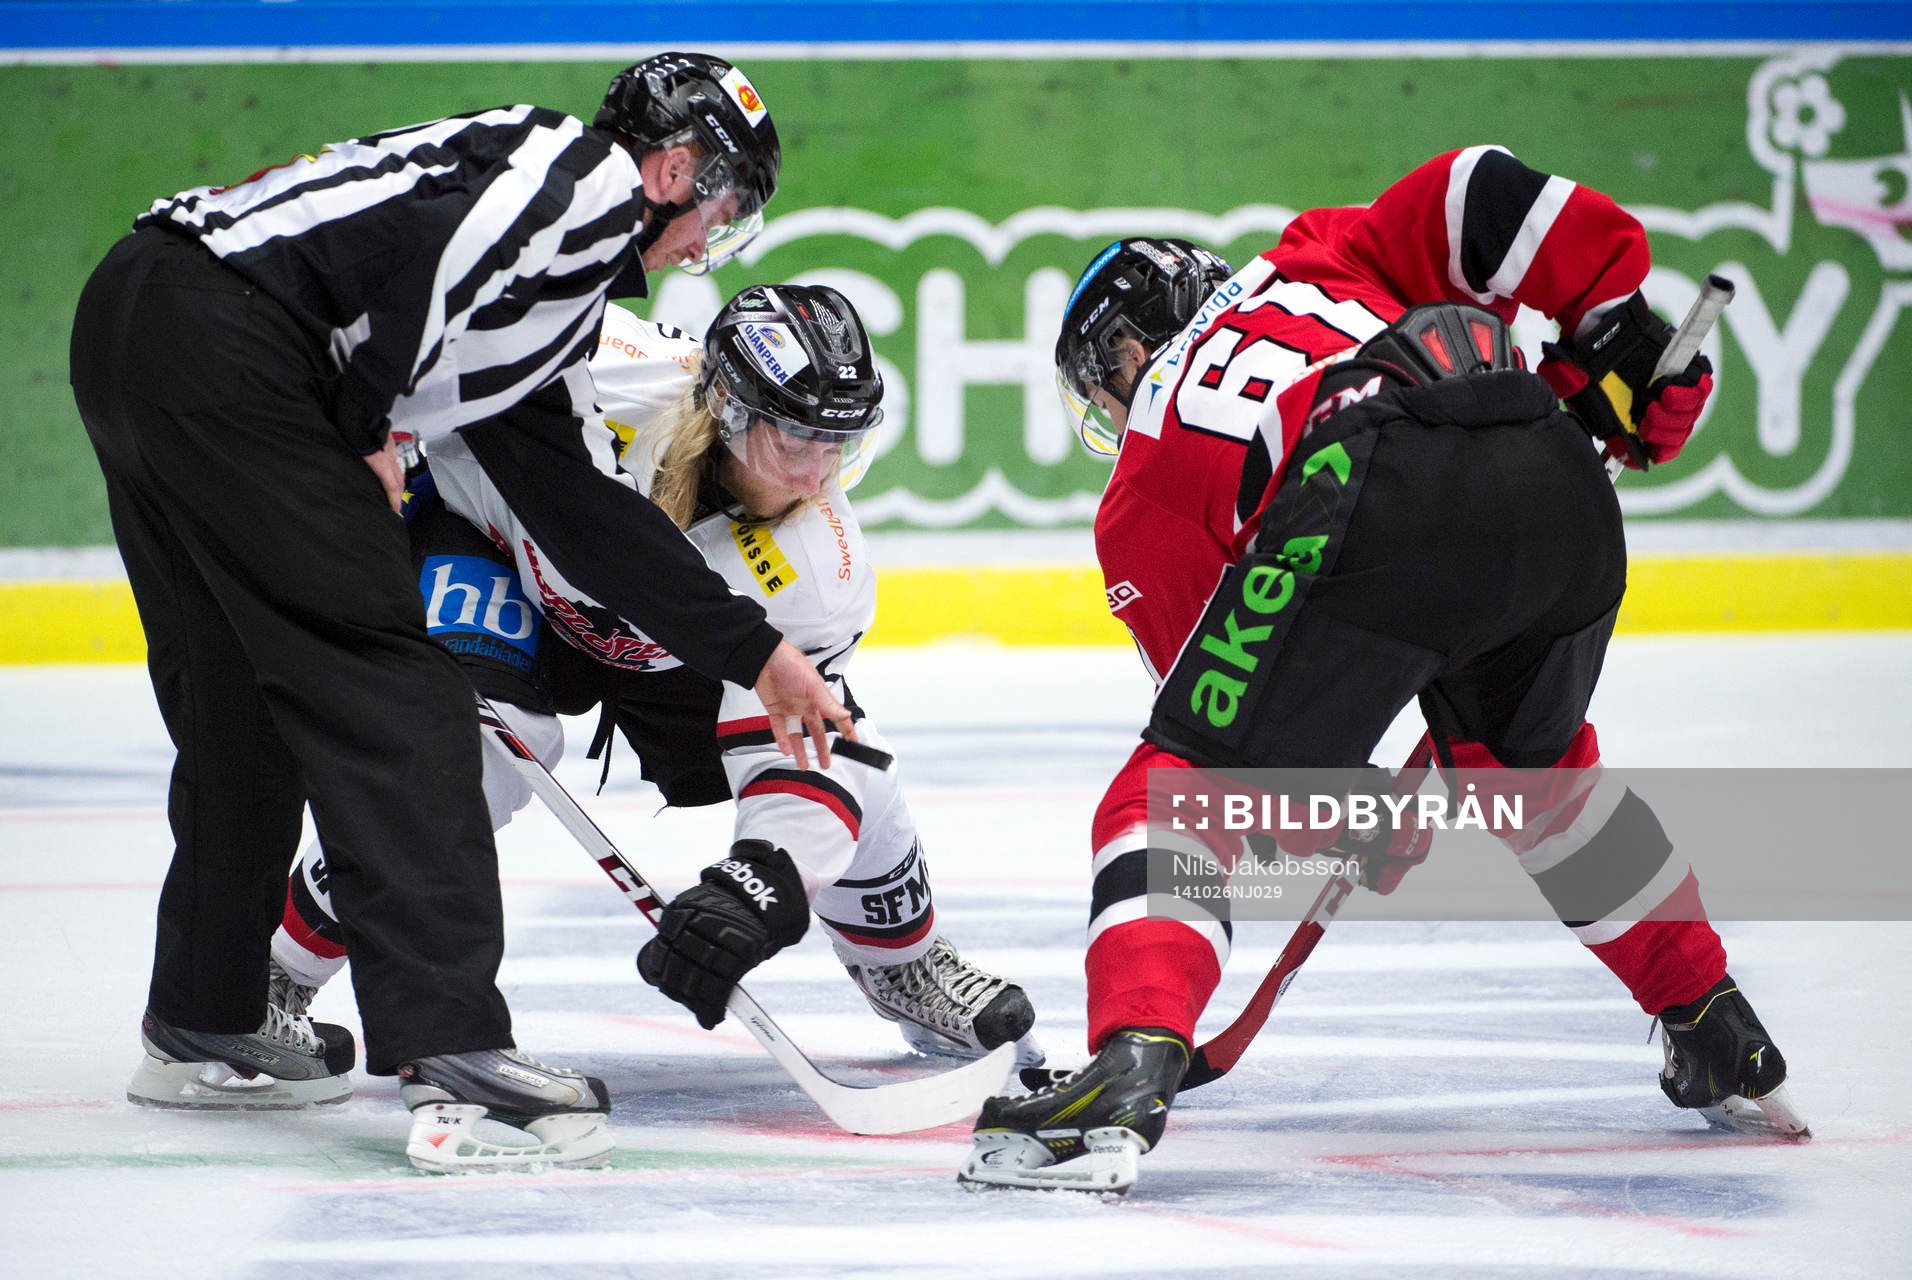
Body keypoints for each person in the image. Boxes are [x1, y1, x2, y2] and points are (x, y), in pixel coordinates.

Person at [960, 146, 1803, 1194]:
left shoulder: (1139, 492)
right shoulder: (1311, 254)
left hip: (1371, 485)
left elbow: (1253, 761)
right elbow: (1479, 189)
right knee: (1534, 783)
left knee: (1174, 791)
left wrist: (1334, 805)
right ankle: (1709, 1015)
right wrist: (1608, 328)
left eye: (1101, 379)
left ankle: (1130, 1057)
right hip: (1550, 474)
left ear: (1128, 346)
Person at [70, 51, 855, 1174]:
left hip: (140, 328)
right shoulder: (576, 183)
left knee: (243, 701)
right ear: (675, 168)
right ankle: (459, 1061)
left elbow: (570, 504)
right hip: (234, 348)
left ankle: (207, 1016)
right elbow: (423, 288)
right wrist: (368, 426)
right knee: (402, 699)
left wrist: (755, 649)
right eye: (721, 211)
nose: (702, 246)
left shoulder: (536, 293)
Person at [267, 286, 1038, 1165]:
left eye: (841, 442)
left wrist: (761, 884)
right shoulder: (609, 363)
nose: (817, 474)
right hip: (497, 554)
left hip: (676, 651)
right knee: (462, 758)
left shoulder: (818, 566)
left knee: (837, 732)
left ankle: (904, 957)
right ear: (726, 405)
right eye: (796, 439)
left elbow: (809, 743)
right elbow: (432, 339)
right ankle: (280, 972)